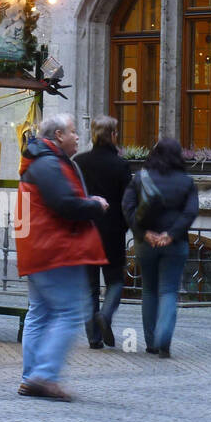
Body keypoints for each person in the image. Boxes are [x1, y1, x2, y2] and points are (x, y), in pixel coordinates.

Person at [14, 112, 109, 401]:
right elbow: (63, 204)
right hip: (55, 250)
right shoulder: (49, 164)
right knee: (69, 313)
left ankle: (31, 377)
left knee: (40, 313)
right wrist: (93, 204)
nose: (78, 136)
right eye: (73, 131)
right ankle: (44, 376)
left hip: (39, 249)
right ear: (58, 136)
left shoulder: (40, 162)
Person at [121, 138, 199, 358]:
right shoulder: (186, 182)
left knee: (149, 290)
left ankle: (151, 341)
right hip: (175, 244)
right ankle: (164, 339)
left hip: (146, 243)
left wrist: (144, 233)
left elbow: (127, 207)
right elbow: (190, 212)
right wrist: (171, 235)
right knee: (168, 291)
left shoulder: (140, 178)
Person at [73, 116, 131, 348]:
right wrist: (125, 226)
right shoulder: (121, 165)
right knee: (115, 281)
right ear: (114, 135)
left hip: (86, 229)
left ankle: (94, 338)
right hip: (113, 230)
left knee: (89, 287)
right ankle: (105, 315)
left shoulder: (79, 161)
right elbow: (128, 202)